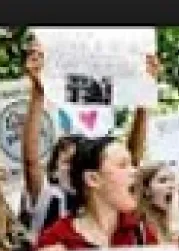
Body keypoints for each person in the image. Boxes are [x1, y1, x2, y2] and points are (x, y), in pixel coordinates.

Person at [21, 38, 158, 239]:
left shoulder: (117, 208)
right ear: (53, 170)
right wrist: (38, 90)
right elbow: (31, 162)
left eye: (79, 160)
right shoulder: (50, 199)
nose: (75, 166)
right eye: (67, 161)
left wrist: (144, 93)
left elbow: (132, 158)